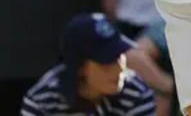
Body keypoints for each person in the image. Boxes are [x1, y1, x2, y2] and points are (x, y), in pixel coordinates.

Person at [20, 13, 156, 115]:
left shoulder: (137, 94)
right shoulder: (43, 100)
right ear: (80, 67)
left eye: (120, 57)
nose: (119, 69)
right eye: (106, 63)